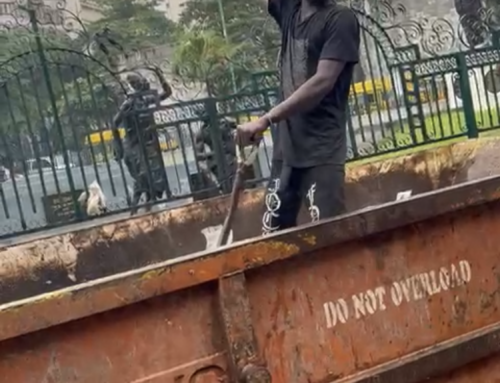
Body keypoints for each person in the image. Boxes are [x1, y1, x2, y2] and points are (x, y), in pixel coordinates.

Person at [236, 0, 360, 235]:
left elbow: (322, 81)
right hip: (287, 152)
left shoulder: (339, 19)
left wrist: (266, 119)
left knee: (330, 238)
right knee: (271, 238)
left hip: (321, 152)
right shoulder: (290, 11)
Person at [113, 70, 173, 213]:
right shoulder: (128, 104)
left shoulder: (144, 101)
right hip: (132, 146)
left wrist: (160, 76)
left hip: (145, 145)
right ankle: (136, 207)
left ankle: (147, 204)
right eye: (139, 82)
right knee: (143, 175)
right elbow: (115, 122)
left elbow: (167, 93)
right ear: (134, 85)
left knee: (151, 174)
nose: (143, 84)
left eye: (142, 82)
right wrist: (117, 145)